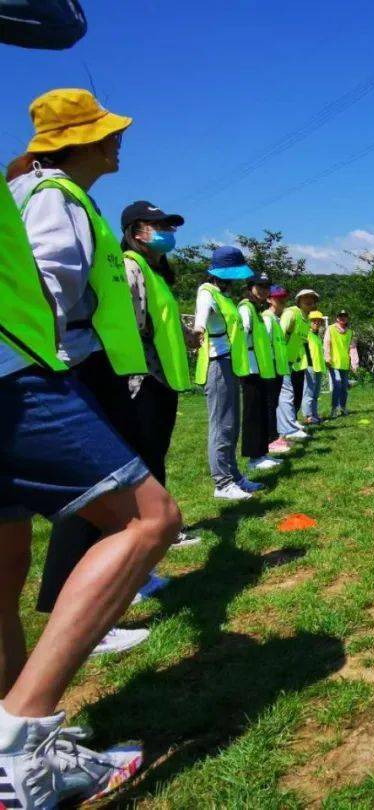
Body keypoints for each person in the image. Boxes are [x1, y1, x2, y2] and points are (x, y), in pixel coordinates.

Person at [2, 87, 180, 806]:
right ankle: (21, 741)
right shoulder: (53, 194)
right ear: (71, 142)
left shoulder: (43, 190)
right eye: (105, 133)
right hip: (19, 371)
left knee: (6, 569)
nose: (117, 142)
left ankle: (13, 727)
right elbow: (45, 287)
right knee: (150, 519)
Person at [120, 201, 201, 551]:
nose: (167, 232)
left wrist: (185, 336)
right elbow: (131, 325)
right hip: (143, 380)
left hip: (163, 378)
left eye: (168, 226)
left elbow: (161, 319)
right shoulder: (131, 266)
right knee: (147, 457)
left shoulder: (156, 273)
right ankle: (153, 531)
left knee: (157, 453)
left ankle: (159, 528)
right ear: (136, 232)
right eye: (158, 225)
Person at [193, 246, 258, 499]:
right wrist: (197, 330)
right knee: (221, 425)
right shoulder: (207, 291)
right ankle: (222, 483)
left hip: (230, 364)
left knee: (232, 424)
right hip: (216, 364)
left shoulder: (224, 296)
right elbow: (201, 317)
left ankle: (235, 477)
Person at [238, 273, 282, 473]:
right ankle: (254, 456)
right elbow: (241, 335)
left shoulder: (257, 309)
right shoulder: (246, 308)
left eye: (267, 287)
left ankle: (262, 452)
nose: (264, 290)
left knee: (262, 411)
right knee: (252, 413)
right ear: (250, 287)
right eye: (259, 286)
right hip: (249, 369)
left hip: (260, 369)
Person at [278, 289, 317, 440]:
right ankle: (288, 429)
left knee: (291, 394)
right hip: (281, 360)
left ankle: (290, 424)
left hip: (291, 361)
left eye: (312, 299)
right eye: (305, 298)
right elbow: (279, 335)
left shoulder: (306, 319)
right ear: (298, 301)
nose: (308, 300)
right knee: (287, 395)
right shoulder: (292, 313)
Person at [263, 285, 295, 453]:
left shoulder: (276, 319)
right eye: (277, 298)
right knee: (270, 404)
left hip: (277, 368)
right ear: (269, 299)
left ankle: (276, 438)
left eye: (283, 297)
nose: (281, 301)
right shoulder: (268, 318)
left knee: (274, 403)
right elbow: (265, 345)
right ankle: (271, 440)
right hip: (271, 368)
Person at [324, 310, 356, 417]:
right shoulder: (331, 329)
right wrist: (327, 357)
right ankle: (334, 408)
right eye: (341, 316)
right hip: (334, 363)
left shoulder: (350, 332)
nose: (343, 318)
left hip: (345, 364)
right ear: (337, 318)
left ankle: (343, 407)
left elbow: (352, 348)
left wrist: (354, 362)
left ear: (347, 318)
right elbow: (327, 343)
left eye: (345, 316)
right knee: (337, 385)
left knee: (344, 387)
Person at [302, 310, 327, 424]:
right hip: (310, 367)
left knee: (316, 394)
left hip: (318, 367)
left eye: (318, 321)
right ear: (309, 321)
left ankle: (314, 415)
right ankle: (307, 416)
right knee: (309, 393)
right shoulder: (306, 333)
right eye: (314, 320)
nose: (316, 322)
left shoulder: (317, 336)